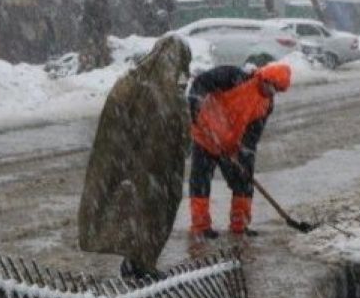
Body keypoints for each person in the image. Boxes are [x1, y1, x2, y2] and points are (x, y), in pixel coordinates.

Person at [78, 36, 192, 279]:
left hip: (143, 165)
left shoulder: (133, 82)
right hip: (155, 168)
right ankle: (139, 263)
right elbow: (181, 135)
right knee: (152, 215)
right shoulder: (166, 92)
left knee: (141, 213)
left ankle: (138, 262)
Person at [188, 62, 292, 239]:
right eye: (271, 87)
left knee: (244, 182)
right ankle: (201, 226)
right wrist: (196, 109)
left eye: (276, 91)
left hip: (230, 146)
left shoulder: (266, 105)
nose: (271, 93)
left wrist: (244, 155)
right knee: (200, 183)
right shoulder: (232, 76)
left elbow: (252, 136)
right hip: (205, 137)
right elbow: (200, 84)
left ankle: (239, 225)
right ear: (264, 78)